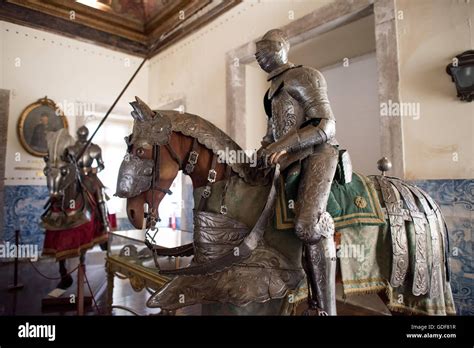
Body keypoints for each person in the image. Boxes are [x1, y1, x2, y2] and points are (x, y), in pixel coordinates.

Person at [256, 29, 339, 315]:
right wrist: (259, 153)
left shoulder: (304, 76)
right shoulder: (272, 89)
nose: (257, 54)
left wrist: (286, 144)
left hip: (318, 154)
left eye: (263, 48)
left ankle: (325, 308)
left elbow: (326, 125)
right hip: (289, 159)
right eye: (256, 51)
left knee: (308, 225)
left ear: (279, 48)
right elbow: (272, 134)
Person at [67, 126, 111, 233]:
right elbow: (67, 165)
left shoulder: (94, 148)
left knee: (99, 194)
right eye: (80, 135)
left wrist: (95, 169)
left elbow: (101, 166)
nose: (82, 137)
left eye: (83, 135)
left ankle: (104, 222)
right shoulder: (71, 149)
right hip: (75, 177)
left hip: (90, 177)